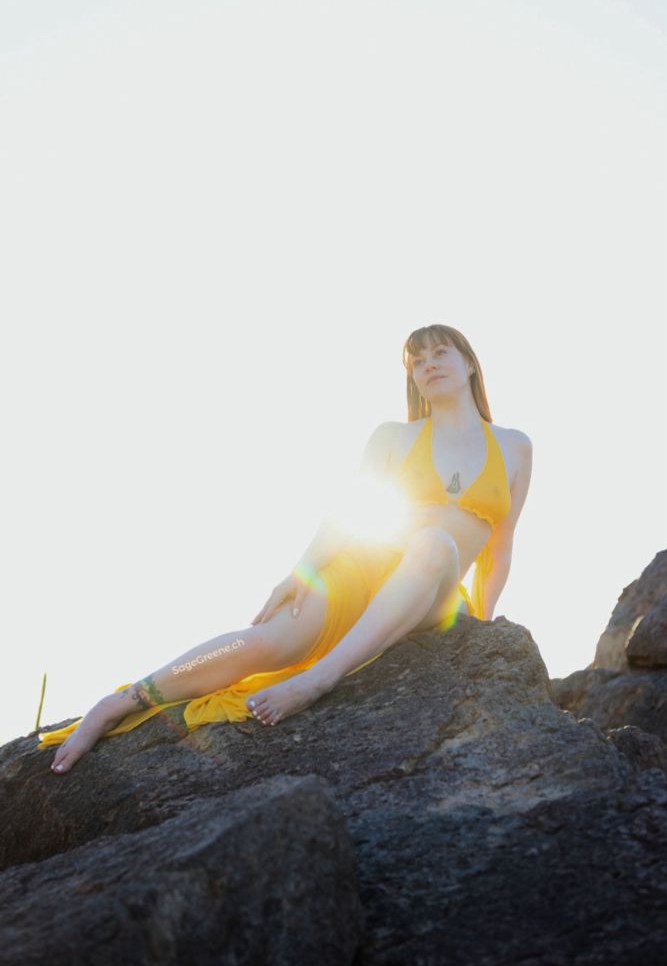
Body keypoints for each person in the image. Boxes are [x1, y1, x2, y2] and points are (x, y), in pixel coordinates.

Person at [38, 324, 532, 774]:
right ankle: (122, 701)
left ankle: (317, 680)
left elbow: (500, 547)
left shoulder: (513, 446)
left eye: (439, 353)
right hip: (363, 574)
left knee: (434, 544)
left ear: (469, 362)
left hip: (433, 595)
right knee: (262, 643)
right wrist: (300, 573)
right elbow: (346, 516)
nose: (428, 365)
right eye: (417, 361)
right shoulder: (393, 437)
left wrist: (485, 628)